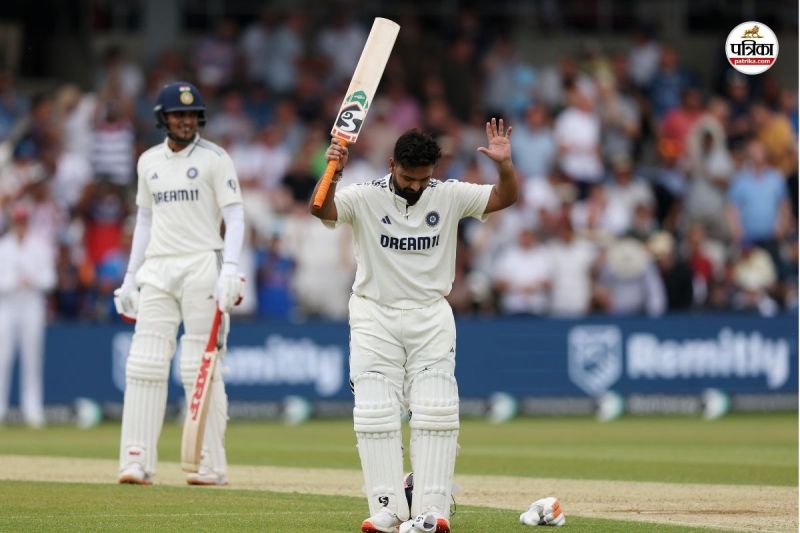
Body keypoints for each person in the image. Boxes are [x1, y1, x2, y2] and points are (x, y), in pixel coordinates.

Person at [310, 118, 518, 533]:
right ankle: (387, 509)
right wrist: (333, 171)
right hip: (374, 313)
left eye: (423, 179)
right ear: (392, 165)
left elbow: (505, 197)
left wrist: (505, 167)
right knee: (375, 412)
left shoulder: (448, 194)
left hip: (430, 313)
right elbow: (322, 209)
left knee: (437, 410)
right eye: (408, 178)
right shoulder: (366, 196)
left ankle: (432, 510)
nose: (415, 187)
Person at [113, 81, 245, 486]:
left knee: (199, 365)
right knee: (144, 363)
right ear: (163, 119)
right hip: (157, 267)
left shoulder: (215, 158)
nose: (186, 121)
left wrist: (230, 268)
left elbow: (235, 216)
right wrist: (130, 277)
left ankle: (210, 463)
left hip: (203, 263)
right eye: (178, 115)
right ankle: (136, 458)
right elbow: (144, 220)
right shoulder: (148, 161)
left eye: (191, 114)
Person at [0, 203, 56, 427]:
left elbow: (50, 279)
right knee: (3, 357)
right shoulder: (4, 246)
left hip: (32, 306)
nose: (21, 226)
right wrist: (14, 281)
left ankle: (32, 409)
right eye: (18, 222)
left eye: (23, 222)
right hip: (7, 306)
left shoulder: (39, 246)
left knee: (32, 358)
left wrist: (32, 279)